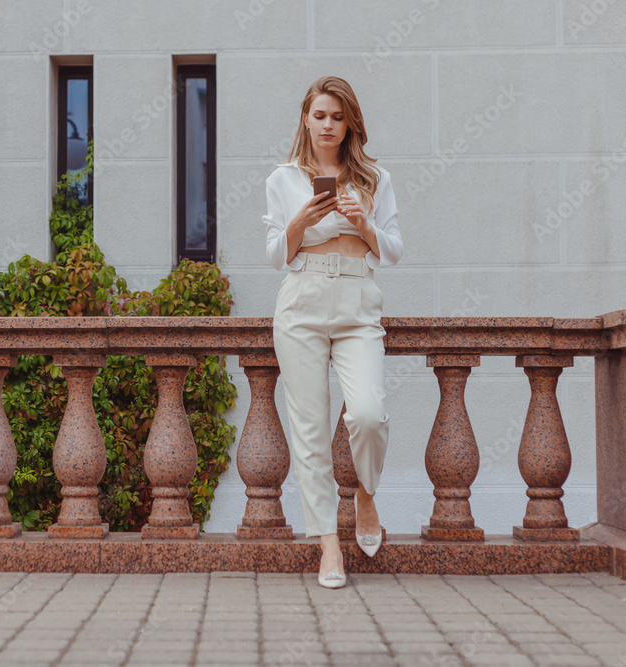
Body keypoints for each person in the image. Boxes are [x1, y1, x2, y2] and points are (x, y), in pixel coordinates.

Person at [262, 75, 403, 589]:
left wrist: (363, 222)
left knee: (367, 413)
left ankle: (366, 493)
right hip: (301, 299)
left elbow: (392, 250)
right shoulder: (284, 179)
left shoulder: (374, 178)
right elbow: (278, 254)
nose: (328, 124)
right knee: (310, 432)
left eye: (337, 116)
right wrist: (300, 221)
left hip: (357, 299)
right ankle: (327, 546)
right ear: (306, 118)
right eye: (319, 115)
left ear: (350, 124)